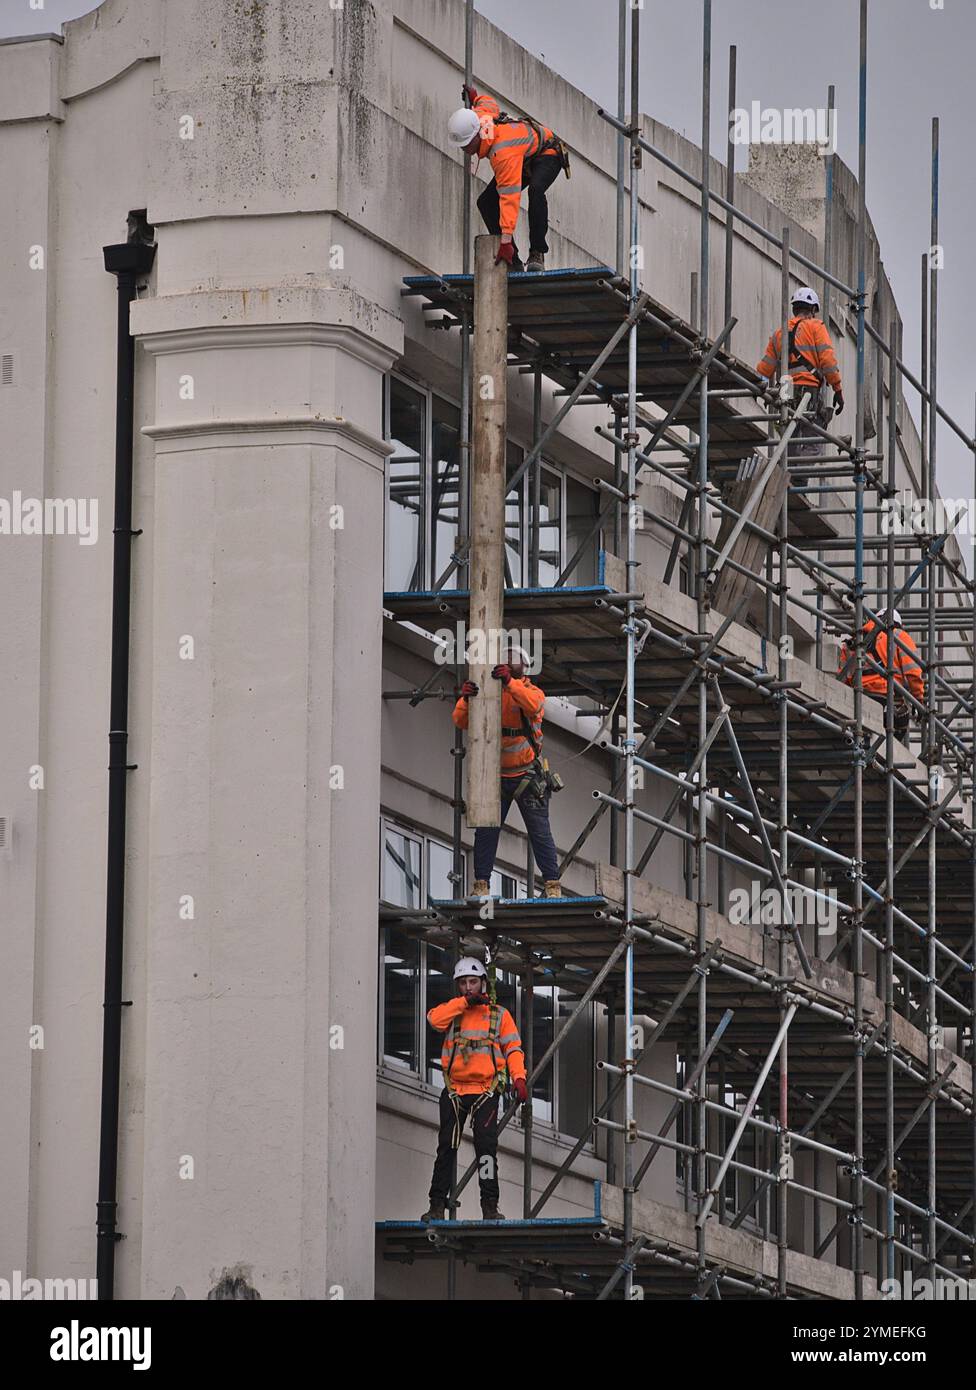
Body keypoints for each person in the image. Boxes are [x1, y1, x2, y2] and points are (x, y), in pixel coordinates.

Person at [421, 957, 527, 1222]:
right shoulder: (453, 1012)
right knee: (446, 1146)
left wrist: (519, 1078)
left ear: (483, 983)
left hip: (485, 1091)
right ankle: (436, 1205)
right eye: (463, 983)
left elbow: (513, 1049)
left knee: (486, 1148)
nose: (468, 987)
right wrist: (464, 1003)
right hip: (455, 1090)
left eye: (473, 982)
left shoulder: (499, 1015)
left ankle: (489, 1206)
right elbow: (434, 1019)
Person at [453, 651, 561, 898]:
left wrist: (509, 683)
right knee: (486, 831)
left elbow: (532, 705)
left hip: (526, 776)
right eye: (506, 659)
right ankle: (481, 883)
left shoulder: (531, 692)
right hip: (497, 776)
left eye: (514, 659)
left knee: (539, 831)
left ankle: (552, 884)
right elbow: (460, 721)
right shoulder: (492, 694)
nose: (509, 663)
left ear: (525, 667)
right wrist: (466, 699)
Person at [446, 84, 569, 272]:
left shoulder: (502, 153)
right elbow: (488, 103)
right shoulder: (480, 117)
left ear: (476, 136)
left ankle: (537, 252)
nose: (464, 150)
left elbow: (509, 198)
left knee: (536, 190)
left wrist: (505, 241)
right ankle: (514, 261)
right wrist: (475, 97)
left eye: (466, 144)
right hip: (525, 156)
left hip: (547, 152)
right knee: (486, 202)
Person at [755, 287, 844, 483]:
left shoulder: (779, 333)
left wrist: (758, 388)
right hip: (808, 390)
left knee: (789, 436)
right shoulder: (816, 327)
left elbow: (765, 369)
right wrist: (837, 388)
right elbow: (827, 362)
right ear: (813, 309)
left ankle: (784, 476)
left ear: (795, 309)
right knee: (813, 439)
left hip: (785, 389)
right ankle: (797, 479)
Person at [837, 608, 924, 737]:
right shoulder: (899, 636)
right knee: (896, 731)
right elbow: (913, 671)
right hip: (885, 695)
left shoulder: (855, 640)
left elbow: (843, 677)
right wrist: (918, 699)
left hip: (859, 696)